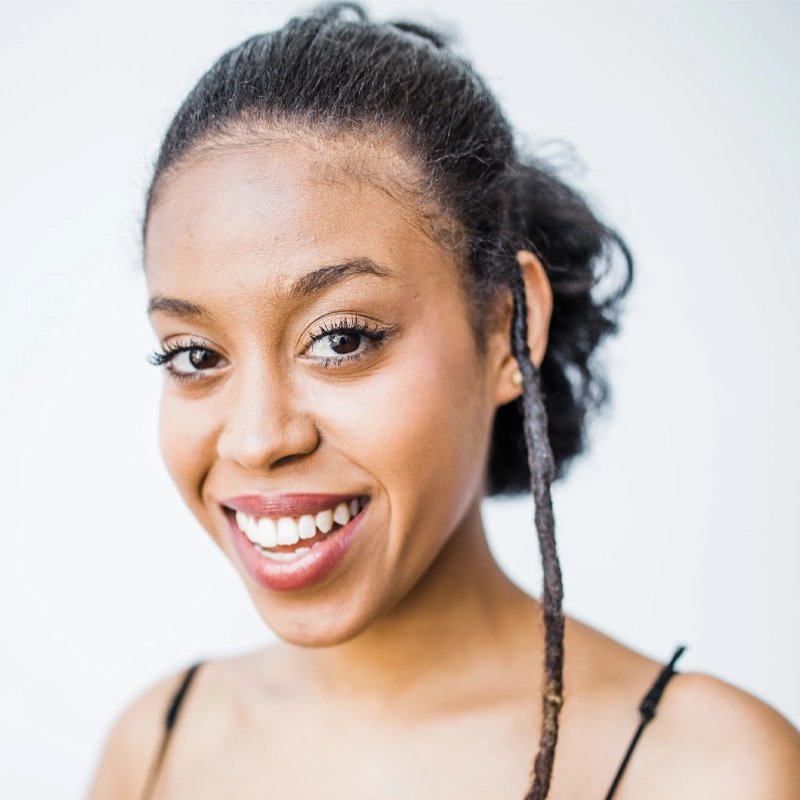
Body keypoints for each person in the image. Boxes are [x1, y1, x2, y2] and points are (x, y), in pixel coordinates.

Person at [87, 5, 800, 799]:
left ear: (505, 327)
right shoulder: (157, 745)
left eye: (343, 338)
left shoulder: (708, 770)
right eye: (195, 354)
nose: (257, 439)